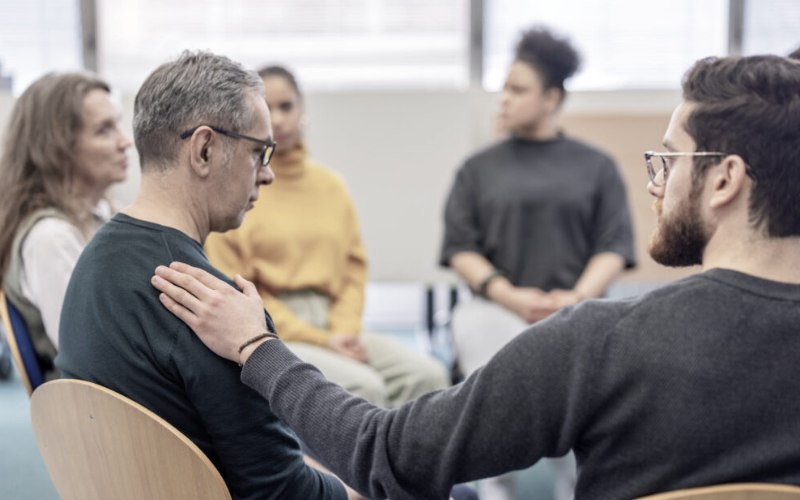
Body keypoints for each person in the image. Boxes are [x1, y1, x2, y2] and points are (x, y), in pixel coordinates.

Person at [152, 54, 800, 499]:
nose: (657, 180)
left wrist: (258, 348)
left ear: (723, 179)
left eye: (670, 159)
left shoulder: (606, 343)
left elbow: (386, 456)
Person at [56, 51, 347, 499]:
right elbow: (284, 493)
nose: (267, 174)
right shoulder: (212, 311)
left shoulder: (94, 259)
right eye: (259, 152)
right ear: (205, 149)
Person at [441, 27, 635, 498]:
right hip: (497, 310)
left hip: (578, 312)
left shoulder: (597, 166)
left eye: (517, 89)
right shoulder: (478, 168)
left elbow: (614, 245)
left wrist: (577, 298)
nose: (503, 99)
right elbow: (460, 248)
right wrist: (511, 297)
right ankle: (495, 486)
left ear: (551, 98)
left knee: (582, 401)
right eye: (503, 87)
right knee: (490, 354)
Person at [204, 65, 449, 408]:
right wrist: (321, 339)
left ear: (303, 110)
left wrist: (343, 331)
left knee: (429, 378)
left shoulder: (331, 186)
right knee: (365, 389)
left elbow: (353, 268)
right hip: (273, 328)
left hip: (336, 322)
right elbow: (236, 288)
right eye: (267, 109)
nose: (279, 119)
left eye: (287, 106)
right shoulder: (235, 190)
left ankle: (410, 465)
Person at [0, 72, 130, 380]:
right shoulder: (51, 239)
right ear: (59, 148)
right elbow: (93, 360)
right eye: (104, 130)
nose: (125, 142)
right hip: (98, 415)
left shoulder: (99, 217)